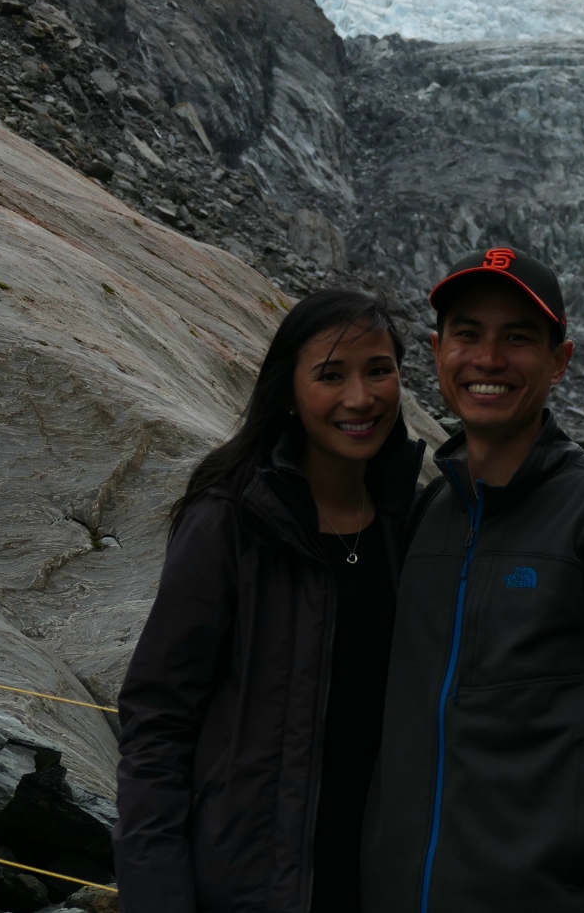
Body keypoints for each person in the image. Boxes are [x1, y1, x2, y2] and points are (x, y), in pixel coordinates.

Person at [365, 247, 584, 913]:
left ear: (560, 361)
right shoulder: (429, 514)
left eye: (517, 337)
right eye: (467, 333)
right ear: (438, 351)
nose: (487, 359)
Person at [114, 288, 426, 913]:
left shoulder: (413, 521)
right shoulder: (231, 522)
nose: (360, 398)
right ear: (287, 392)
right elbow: (158, 724)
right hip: (251, 883)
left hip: (380, 879)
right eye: (330, 376)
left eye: (379, 371)